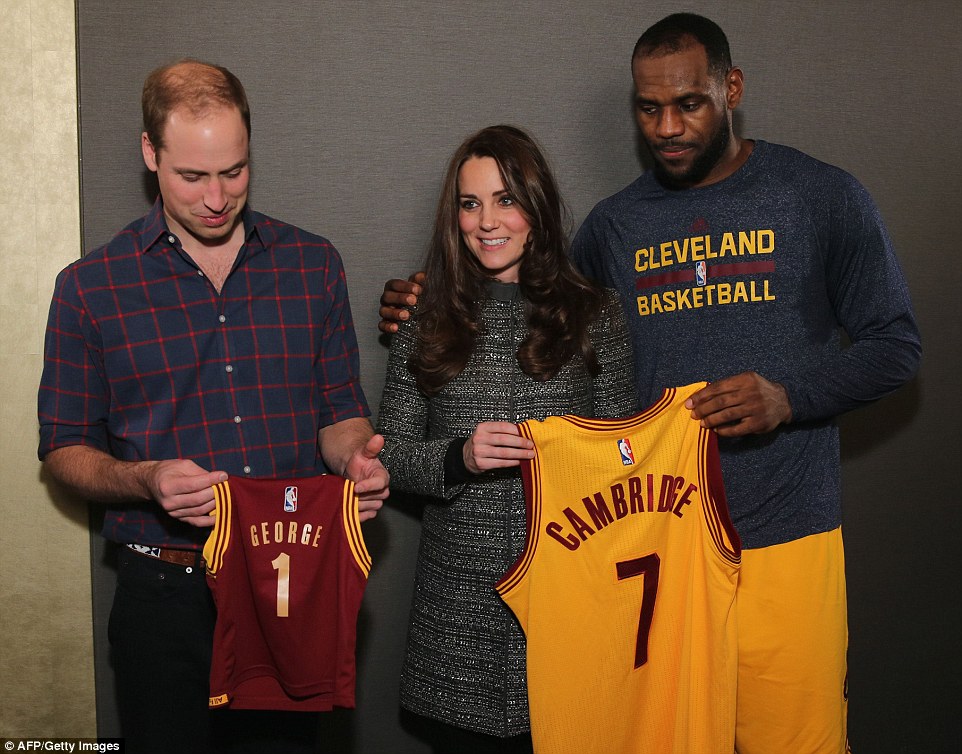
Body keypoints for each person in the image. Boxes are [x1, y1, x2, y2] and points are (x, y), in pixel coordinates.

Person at [379, 14, 921, 754]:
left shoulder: (820, 195)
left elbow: (896, 346)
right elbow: (531, 292)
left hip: (784, 534)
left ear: (731, 89)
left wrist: (789, 395)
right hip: (654, 547)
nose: (667, 125)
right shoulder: (615, 226)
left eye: (689, 103)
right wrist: (427, 297)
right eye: (648, 107)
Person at [37, 60, 389, 754]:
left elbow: (339, 413)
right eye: (192, 177)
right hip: (163, 592)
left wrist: (355, 459)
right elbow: (64, 450)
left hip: (285, 577)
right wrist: (145, 479)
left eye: (233, 171)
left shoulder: (313, 264)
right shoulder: (89, 288)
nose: (216, 198)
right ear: (150, 154)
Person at [376, 124, 638, 754]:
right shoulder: (425, 317)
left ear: (537, 208)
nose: (487, 221)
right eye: (471, 203)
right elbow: (390, 456)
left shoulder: (595, 314)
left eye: (505, 200)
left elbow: (628, 462)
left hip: (569, 602)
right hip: (459, 615)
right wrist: (459, 457)